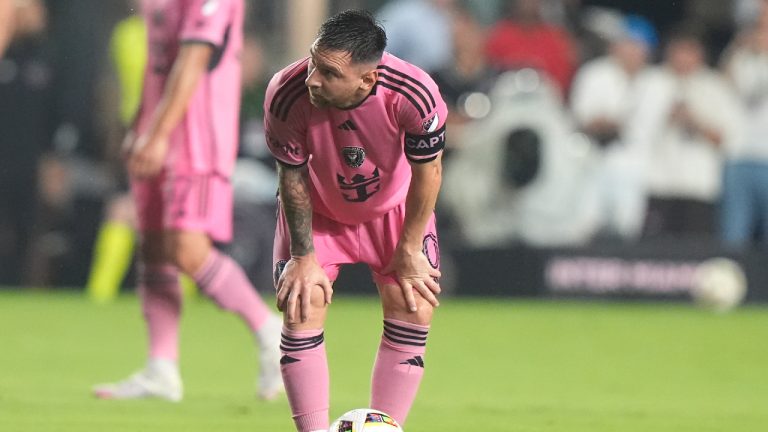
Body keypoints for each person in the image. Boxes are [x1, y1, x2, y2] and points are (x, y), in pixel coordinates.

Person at [264, 10, 447, 431]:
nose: (312, 78)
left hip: (395, 211)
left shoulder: (415, 92)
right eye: (313, 62)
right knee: (301, 302)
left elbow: (429, 171)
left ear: (367, 80)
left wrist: (410, 246)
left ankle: (386, 427)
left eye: (328, 73)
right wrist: (303, 257)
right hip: (319, 209)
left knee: (412, 305)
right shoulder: (286, 93)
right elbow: (290, 176)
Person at [92, 0, 283, 402]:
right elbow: (157, 63)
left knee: (185, 246)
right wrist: (142, 123)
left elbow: (194, 60)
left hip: (197, 138)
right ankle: (161, 368)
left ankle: (271, 333)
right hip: (158, 129)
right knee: (155, 248)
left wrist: (158, 133)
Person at [569, 14, 657, 241]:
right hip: (594, 162)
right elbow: (582, 118)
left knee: (628, 230)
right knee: (583, 225)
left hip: (635, 165)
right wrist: (607, 125)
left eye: (637, 45)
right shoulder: (595, 73)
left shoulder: (657, 81)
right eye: (627, 44)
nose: (631, 51)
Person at [720, 0, 768, 248]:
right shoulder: (741, 58)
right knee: (734, 234)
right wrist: (745, 44)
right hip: (739, 155)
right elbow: (725, 80)